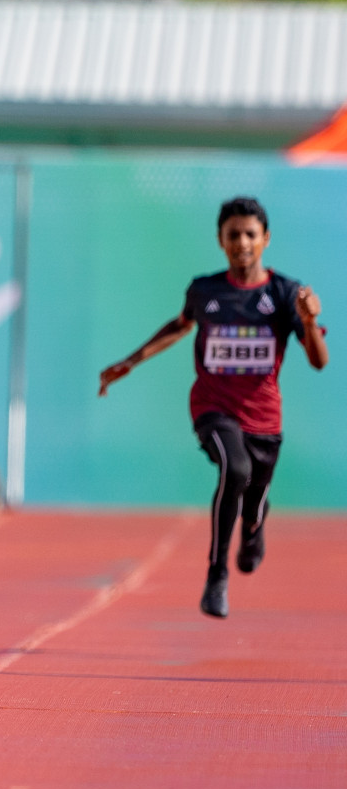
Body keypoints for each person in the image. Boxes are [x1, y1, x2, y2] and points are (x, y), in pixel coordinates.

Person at [99, 197, 328, 619]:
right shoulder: (205, 290)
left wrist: (309, 321)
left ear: (266, 240)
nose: (241, 242)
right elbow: (179, 326)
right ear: (220, 241)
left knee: (254, 493)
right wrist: (130, 362)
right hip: (213, 407)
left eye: (249, 235)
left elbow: (318, 360)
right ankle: (216, 575)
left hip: (264, 417)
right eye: (233, 235)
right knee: (234, 469)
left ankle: (254, 529)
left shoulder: (285, 294)